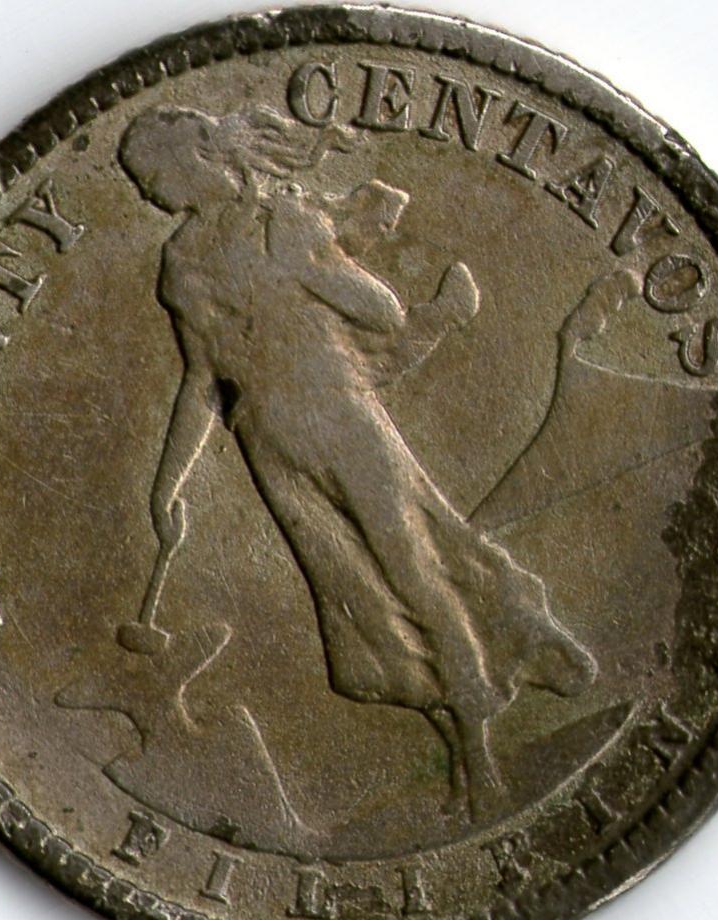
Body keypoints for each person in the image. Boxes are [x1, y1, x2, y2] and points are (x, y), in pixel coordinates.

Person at [118, 104, 597, 818]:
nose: (149, 189)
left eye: (152, 172)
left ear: (198, 158)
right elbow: (202, 380)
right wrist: (168, 484)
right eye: (140, 180)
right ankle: (466, 728)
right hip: (268, 444)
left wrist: (309, 267)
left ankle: (480, 741)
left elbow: (382, 313)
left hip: (341, 414)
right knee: (357, 602)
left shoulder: (285, 220)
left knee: (415, 570)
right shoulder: (181, 262)